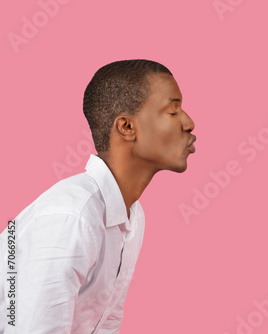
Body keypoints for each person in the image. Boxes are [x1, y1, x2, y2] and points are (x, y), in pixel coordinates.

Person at [0, 59, 196, 333]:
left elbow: (106, 321)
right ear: (127, 127)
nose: (189, 123)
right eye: (173, 112)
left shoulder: (131, 215)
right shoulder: (71, 219)